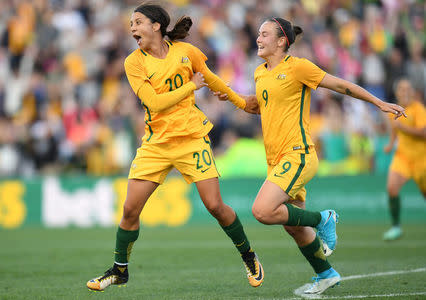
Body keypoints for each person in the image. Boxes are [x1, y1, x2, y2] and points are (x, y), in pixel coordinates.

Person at [215, 17, 405, 295]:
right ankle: (326, 274)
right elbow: (259, 106)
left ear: (282, 41)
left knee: (262, 211)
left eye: (264, 34)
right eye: (258, 33)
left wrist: (378, 102)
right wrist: (231, 96)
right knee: (293, 226)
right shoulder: (260, 73)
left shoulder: (299, 67)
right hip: (277, 160)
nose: (258, 38)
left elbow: (340, 86)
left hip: (298, 154)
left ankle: (324, 219)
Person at [86, 4, 263, 291]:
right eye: (131, 24)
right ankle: (119, 270)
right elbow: (154, 103)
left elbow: (211, 77)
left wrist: (240, 101)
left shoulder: (186, 51)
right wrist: (191, 86)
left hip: (192, 138)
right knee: (130, 210)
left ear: (156, 25)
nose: (132, 28)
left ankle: (249, 255)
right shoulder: (134, 62)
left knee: (215, 206)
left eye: (138, 22)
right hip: (156, 144)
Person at [383, 78, 426, 241]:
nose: (405, 91)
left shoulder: (418, 109)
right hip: (403, 157)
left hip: (422, 160)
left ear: (413, 92)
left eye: (408, 89)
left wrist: (403, 128)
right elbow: (395, 131)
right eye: (402, 89)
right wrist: (390, 144)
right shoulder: (394, 110)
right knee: (392, 188)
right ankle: (396, 227)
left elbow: (423, 133)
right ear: (397, 93)